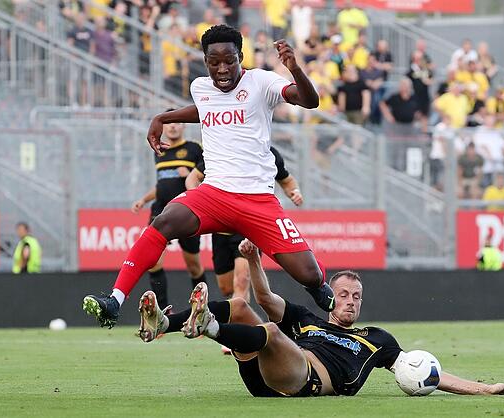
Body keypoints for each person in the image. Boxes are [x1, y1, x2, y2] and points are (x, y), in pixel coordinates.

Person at [83, 25, 334, 329]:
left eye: (229, 60)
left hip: (258, 201)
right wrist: (163, 117)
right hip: (213, 195)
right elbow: (204, 108)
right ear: (205, 61)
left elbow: (310, 101)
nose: (222, 69)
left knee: (308, 274)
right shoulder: (201, 87)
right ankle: (115, 300)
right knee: (162, 221)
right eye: (214, 63)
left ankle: (319, 284)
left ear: (241, 56)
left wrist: (295, 70)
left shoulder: (261, 81)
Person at [136, 239, 504, 397]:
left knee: (269, 330)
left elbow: (429, 373)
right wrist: (254, 259)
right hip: (267, 369)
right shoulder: (307, 319)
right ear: (331, 296)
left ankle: (212, 329)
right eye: (345, 294)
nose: (351, 301)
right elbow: (265, 296)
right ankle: (166, 324)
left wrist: (484, 389)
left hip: (305, 381)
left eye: (357, 297)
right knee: (240, 304)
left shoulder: (377, 339)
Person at [185, 146, 303, 301]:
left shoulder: (269, 154)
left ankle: (239, 324)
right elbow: (192, 178)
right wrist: (199, 202)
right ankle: (238, 317)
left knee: (241, 282)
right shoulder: (224, 151)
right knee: (226, 288)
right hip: (221, 229)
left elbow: (286, 180)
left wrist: (295, 192)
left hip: (249, 229)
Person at [130, 117, 207, 311]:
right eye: (168, 123)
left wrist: (189, 174)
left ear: (183, 126)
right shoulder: (159, 151)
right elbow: (162, 184)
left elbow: (208, 175)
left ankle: (199, 311)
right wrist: (144, 200)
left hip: (186, 212)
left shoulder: (194, 148)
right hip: (161, 211)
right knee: (153, 261)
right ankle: (163, 312)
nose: (172, 126)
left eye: (176, 123)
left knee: (194, 266)